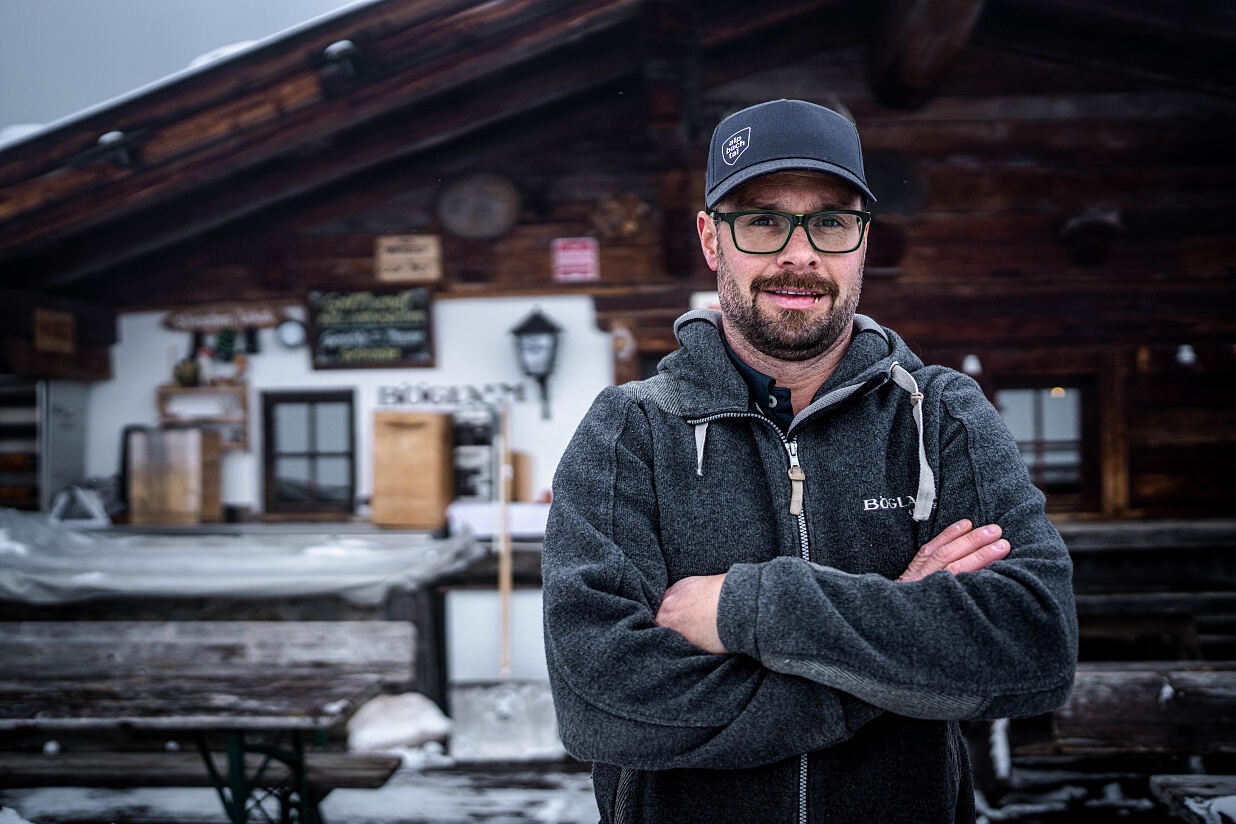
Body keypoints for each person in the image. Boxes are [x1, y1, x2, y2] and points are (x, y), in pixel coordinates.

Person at [542, 99, 1077, 824]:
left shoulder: (943, 415)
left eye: (830, 221)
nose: (800, 253)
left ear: (861, 239)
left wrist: (747, 609)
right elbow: (605, 706)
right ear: (711, 239)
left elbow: (1035, 644)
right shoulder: (629, 432)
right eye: (762, 220)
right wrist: (899, 655)